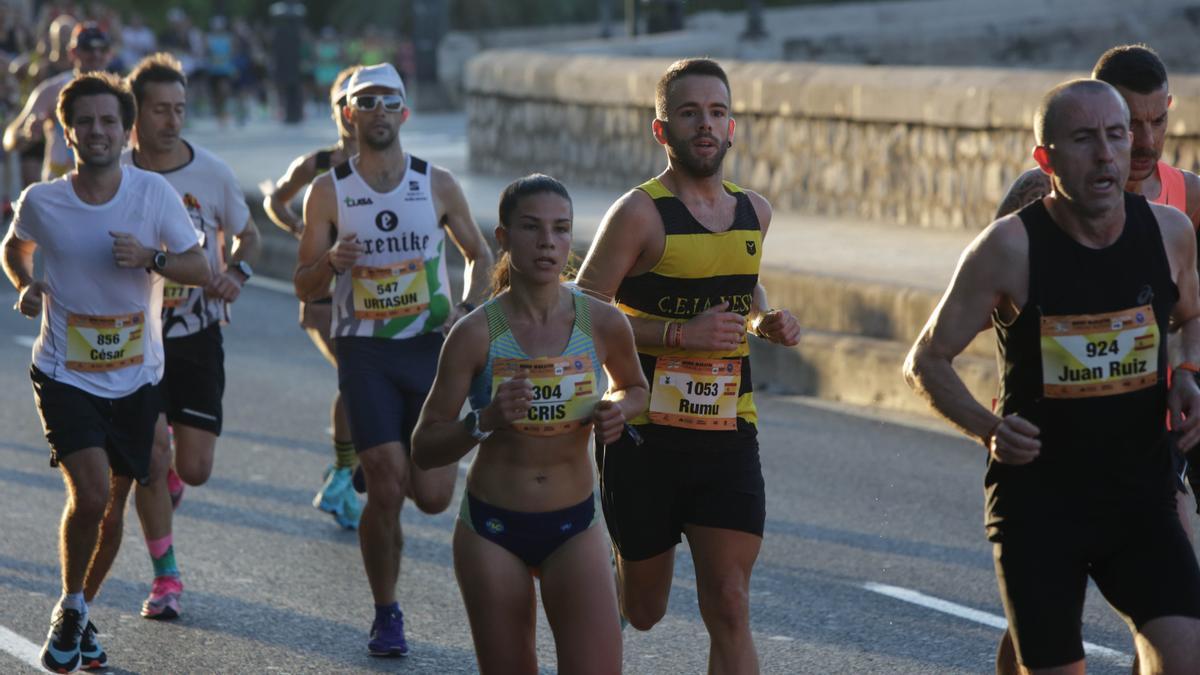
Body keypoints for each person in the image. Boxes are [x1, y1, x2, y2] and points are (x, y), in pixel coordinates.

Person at [904, 79, 1200, 674]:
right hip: (1042, 507)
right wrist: (988, 429)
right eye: (1085, 139)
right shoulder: (1009, 247)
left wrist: (1188, 372)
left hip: (1140, 496)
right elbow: (926, 359)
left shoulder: (1169, 232)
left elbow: (1192, 314)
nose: (1107, 154)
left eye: (1115, 137)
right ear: (1047, 158)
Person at [575, 58, 801, 674]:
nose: (705, 124)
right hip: (644, 433)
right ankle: (619, 569)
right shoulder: (639, 214)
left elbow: (741, 289)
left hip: (728, 430)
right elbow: (579, 311)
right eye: (689, 112)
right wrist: (679, 334)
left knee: (729, 602)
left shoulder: (756, 211)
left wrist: (764, 321)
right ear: (662, 129)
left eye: (717, 112)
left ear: (733, 128)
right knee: (645, 610)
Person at [1, 72, 208, 673]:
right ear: (67, 133)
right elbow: (15, 246)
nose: (98, 131)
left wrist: (153, 258)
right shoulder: (44, 200)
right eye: (85, 122)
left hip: (137, 377)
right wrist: (26, 283)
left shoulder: (152, 196)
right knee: (89, 494)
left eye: (108, 122)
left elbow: (197, 263)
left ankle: (80, 611)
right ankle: (70, 606)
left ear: (126, 130)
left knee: (113, 507)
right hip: (65, 370)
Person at [294, 62, 494, 656]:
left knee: (431, 496)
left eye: (389, 102)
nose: (378, 112)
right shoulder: (329, 190)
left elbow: (479, 255)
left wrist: (465, 308)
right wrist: (330, 262)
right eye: (366, 102)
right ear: (349, 113)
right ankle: (386, 613)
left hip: (428, 348)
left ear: (404, 113)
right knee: (387, 486)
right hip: (365, 351)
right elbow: (304, 285)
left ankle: (383, 461)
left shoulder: (436, 183)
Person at [412, 174, 647, 674]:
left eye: (561, 229)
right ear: (503, 237)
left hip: (574, 525)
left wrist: (616, 411)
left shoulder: (602, 323)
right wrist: (486, 420)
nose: (547, 242)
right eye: (532, 228)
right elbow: (424, 446)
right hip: (493, 529)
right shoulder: (476, 334)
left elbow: (636, 389)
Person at [97, 52, 257, 621]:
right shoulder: (115, 174)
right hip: (135, 340)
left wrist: (236, 274)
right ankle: (166, 578)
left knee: (194, 468)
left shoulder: (210, 172)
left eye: (180, 109)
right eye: (160, 110)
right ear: (133, 116)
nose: (172, 120)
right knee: (149, 456)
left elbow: (248, 236)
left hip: (195, 335)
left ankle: (165, 481)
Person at [263, 64, 361, 529]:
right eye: (345, 102)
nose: (353, 112)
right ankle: (344, 474)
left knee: (362, 382)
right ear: (336, 110)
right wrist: (300, 227)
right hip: (323, 291)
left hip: (371, 294)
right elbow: (275, 200)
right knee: (354, 378)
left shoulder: (394, 169)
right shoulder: (319, 165)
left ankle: (345, 472)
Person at [4, 21, 110, 184]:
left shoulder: (121, 92)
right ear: (73, 52)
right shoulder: (53, 90)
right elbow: (9, 137)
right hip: (59, 190)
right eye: (88, 47)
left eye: (102, 48)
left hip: (104, 190)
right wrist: (26, 134)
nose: (96, 54)